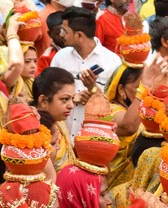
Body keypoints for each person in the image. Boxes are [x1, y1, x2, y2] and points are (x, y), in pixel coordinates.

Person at [51, 6, 121, 141]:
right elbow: (50, 92)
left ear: (79, 35)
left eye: (64, 31)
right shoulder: (60, 57)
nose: (61, 35)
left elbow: (116, 104)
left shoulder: (112, 62)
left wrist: (94, 92)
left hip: (94, 141)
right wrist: (71, 98)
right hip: (61, 140)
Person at [31, 67, 76, 172]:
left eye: (72, 99)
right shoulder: (32, 131)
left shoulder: (58, 122)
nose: (71, 105)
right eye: (65, 99)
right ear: (43, 101)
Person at [35, 11, 65, 76]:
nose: (62, 35)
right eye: (57, 34)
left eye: (64, 31)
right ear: (50, 34)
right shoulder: (46, 57)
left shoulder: (78, 48)